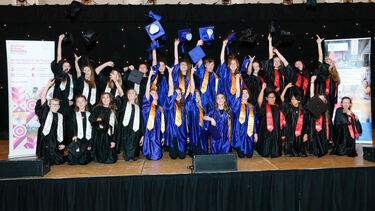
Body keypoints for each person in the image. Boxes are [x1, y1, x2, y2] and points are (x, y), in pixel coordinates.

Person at [35, 79, 65, 166]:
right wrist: (48, 86)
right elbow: (43, 98)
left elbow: (62, 131)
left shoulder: (60, 116)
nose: (55, 106)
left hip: (55, 140)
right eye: (53, 104)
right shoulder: (46, 112)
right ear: (49, 105)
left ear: (59, 106)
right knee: (46, 161)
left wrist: (62, 143)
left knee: (59, 161)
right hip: (45, 139)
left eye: (57, 105)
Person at [89, 91, 122, 164]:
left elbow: (116, 127)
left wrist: (114, 140)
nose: (105, 99)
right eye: (103, 97)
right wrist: (96, 119)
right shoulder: (97, 109)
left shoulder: (114, 111)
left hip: (109, 135)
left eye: (107, 97)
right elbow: (90, 118)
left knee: (110, 159)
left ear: (111, 99)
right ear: (101, 99)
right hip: (99, 135)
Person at [232, 73, 259, 158]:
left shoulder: (252, 106)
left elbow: (255, 121)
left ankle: (248, 148)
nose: (245, 94)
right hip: (239, 131)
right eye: (243, 93)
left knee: (249, 155)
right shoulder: (237, 104)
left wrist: (255, 133)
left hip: (249, 132)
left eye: (246, 93)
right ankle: (240, 149)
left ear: (249, 95)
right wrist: (237, 80)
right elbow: (237, 93)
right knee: (241, 155)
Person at [165, 66, 189, 159]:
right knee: (174, 156)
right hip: (173, 130)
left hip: (182, 131)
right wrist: (170, 73)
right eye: (176, 94)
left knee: (182, 156)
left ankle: (182, 148)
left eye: (179, 94)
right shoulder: (170, 104)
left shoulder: (184, 105)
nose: (178, 95)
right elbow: (171, 88)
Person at [256, 83, 285, 158]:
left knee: (275, 154)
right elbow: (259, 101)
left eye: (273, 97)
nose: (272, 99)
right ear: (266, 98)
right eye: (270, 97)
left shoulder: (278, 108)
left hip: (275, 133)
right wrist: (262, 89)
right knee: (265, 153)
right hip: (266, 133)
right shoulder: (264, 107)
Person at [142, 69, 165, 160]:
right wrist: (149, 78)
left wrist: (163, 136)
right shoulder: (146, 106)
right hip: (148, 131)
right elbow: (147, 91)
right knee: (149, 153)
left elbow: (163, 123)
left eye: (155, 93)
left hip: (157, 132)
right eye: (151, 93)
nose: (153, 94)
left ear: (158, 96)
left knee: (157, 155)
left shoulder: (160, 108)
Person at [314, 35, 340, 118]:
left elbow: (335, 89)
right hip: (322, 96)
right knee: (320, 117)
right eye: (327, 59)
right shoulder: (322, 70)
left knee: (329, 117)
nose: (329, 60)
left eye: (331, 60)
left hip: (330, 99)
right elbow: (320, 57)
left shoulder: (334, 76)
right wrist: (319, 44)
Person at [280, 83, 309, 157]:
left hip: (300, 133)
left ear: (299, 101)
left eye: (295, 99)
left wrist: (306, 133)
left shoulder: (303, 111)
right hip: (290, 132)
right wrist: (286, 87)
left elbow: (306, 123)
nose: (293, 101)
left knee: (300, 149)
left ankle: (299, 151)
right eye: (292, 99)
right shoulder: (289, 108)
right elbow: (281, 97)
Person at [116, 88, 144, 161]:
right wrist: (116, 81)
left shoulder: (139, 107)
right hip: (125, 130)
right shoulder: (124, 104)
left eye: (133, 93)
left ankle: (135, 154)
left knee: (135, 150)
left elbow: (141, 122)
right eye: (129, 93)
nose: (131, 94)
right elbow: (121, 94)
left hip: (136, 131)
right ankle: (127, 154)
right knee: (127, 153)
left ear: (136, 96)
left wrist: (143, 135)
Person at [50, 34, 75, 118]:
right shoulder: (58, 74)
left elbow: (74, 90)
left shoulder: (71, 77)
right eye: (65, 66)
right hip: (58, 104)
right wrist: (60, 40)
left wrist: (72, 100)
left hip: (69, 105)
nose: (66, 67)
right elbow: (59, 56)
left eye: (68, 66)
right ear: (61, 67)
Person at [308, 76, 332, 157]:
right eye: (319, 99)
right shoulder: (314, 107)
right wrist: (312, 82)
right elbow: (311, 95)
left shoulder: (326, 112)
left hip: (323, 129)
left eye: (323, 100)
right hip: (314, 129)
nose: (321, 101)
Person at [186, 69, 209, 155]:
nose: (196, 97)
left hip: (202, 133)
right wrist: (191, 74)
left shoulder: (202, 109)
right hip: (194, 132)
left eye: (198, 95)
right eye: (195, 96)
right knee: (196, 153)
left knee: (204, 152)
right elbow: (192, 91)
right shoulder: (191, 106)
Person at [194, 40, 221, 111]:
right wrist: (198, 46)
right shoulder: (202, 72)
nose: (210, 66)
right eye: (208, 64)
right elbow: (199, 60)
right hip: (203, 101)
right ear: (205, 65)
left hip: (214, 103)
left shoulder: (217, 77)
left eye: (212, 64)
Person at [67, 95, 92, 165]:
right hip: (77, 139)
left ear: (86, 102)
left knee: (84, 162)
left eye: (82, 101)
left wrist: (90, 143)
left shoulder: (90, 114)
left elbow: (92, 129)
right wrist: (74, 135)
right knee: (74, 161)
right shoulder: (73, 114)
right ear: (76, 104)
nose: (81, 103)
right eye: (78, 102)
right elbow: (72, 126)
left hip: (87, 139)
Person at [217, 39, 242, 106]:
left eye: (235, 63)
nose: (233, 65)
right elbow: (222, 60)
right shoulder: (226, 73)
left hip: (235, 101)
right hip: (225, 100)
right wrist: (223, 46)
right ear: (229, 65)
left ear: (237, 65)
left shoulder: (239, 76)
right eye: (231, 63)